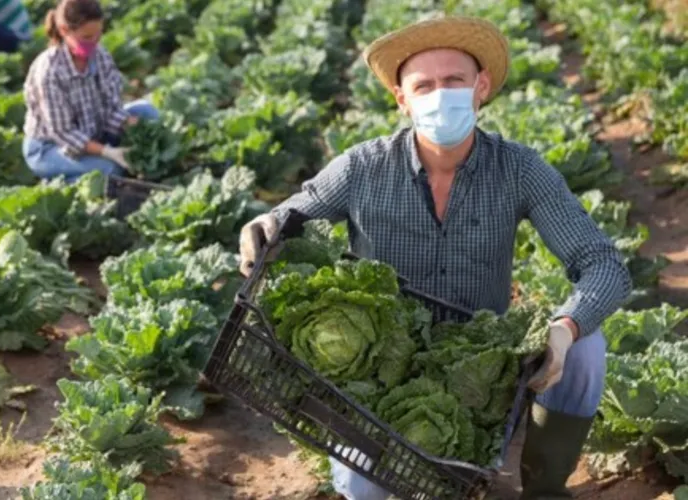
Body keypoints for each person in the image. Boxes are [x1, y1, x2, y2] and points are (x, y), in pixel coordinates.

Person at [237, 16, 631, 500]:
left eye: (454, 82)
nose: (439, 96)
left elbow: (604, 264)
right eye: (424, 86)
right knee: (368, 491)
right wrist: (263, 226)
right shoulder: (362, 168)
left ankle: (544, 487)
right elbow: (290, 215)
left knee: (587, 348)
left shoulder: (518, 170)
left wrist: (565, 328)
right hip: (381, 372)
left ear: (480, 88)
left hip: (482, 365)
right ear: (402, 100)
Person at [21, 0, 160, 183]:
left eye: (98, 35)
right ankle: (56, 183)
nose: (94, 42)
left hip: (94, 131)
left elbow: (112, 107)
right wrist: (107, 152)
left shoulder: (100, 56)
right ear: (64, 31)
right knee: (110, 170)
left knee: (146, 113)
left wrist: (129, 122)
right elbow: (64, 133)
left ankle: (88, 166)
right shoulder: (50, 71)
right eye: (87, 37)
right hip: (52, 148)